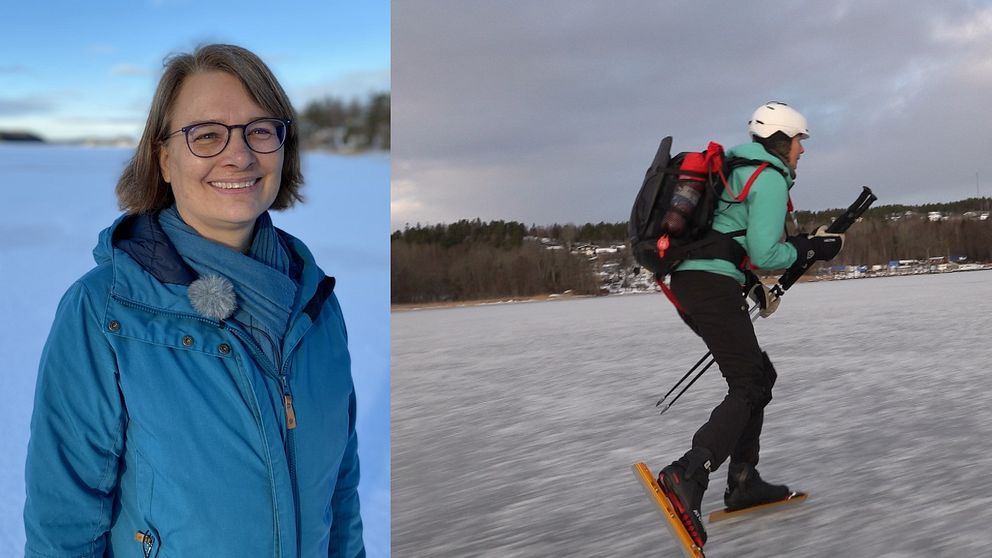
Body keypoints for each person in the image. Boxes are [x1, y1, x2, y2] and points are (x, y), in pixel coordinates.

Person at [23, 44, 365, 557]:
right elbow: (63, 522)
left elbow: (339, 493)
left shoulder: (315, 305)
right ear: (163, 159)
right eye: (206, 135)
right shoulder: (103, 312)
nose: (240, 154)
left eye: (260, 130)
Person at [657, 101, 844, 548]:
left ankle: (743, 479)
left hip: (695, 283)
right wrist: (809, 250)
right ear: (783, 139)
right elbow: (765, 253)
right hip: (710, 286)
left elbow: (734, 240)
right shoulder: (771, 177)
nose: (803, 150)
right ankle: (689, 473)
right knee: (747, 383)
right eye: (800, 141)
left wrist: (761, 278)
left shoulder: (740, 168)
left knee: (759, 375)